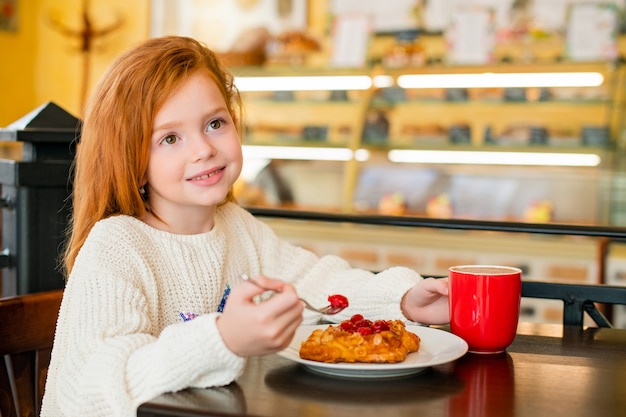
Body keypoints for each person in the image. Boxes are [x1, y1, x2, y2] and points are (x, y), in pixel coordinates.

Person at [41, 36, 449, 417]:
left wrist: (401, 299)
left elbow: (316, 282)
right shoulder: (117, 247)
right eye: (169, 138)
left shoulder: (237, 228)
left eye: (215, 123)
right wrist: (222, 338)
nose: (204, 149)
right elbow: (91, 393)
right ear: (128, 158)